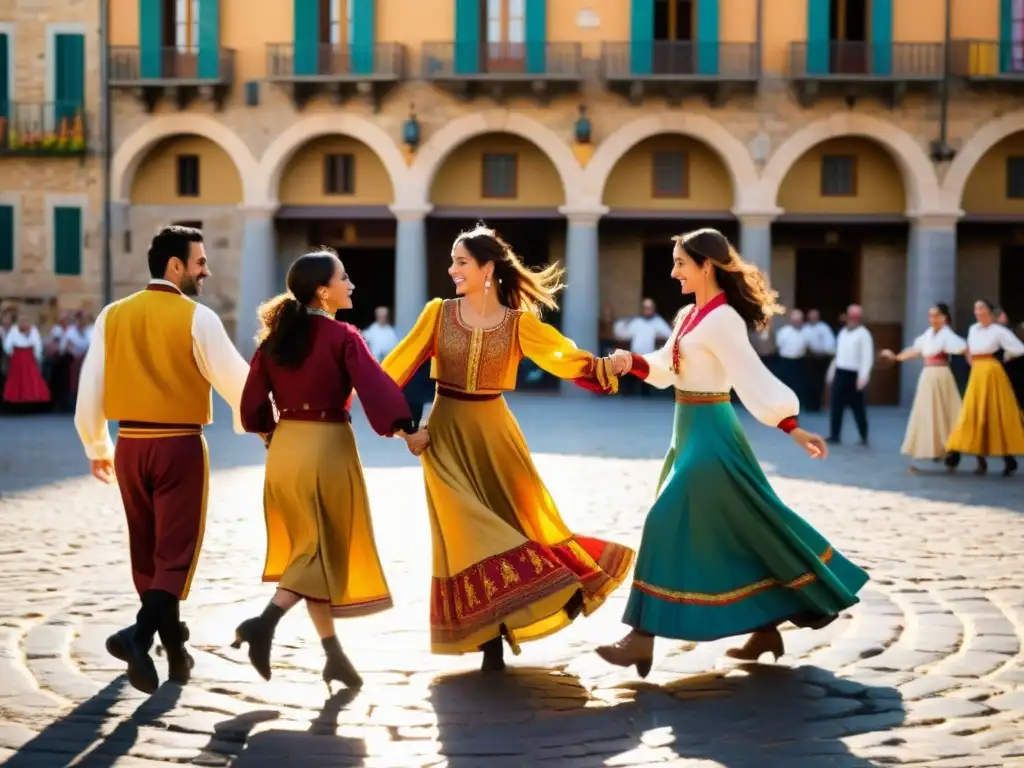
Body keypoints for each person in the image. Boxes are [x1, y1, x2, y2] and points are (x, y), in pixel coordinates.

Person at [597, 228, 868, 676]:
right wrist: (634, 362)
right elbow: (667, 369)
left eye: (681, 263)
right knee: (737, 526)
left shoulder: (723, 320)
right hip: (685, 431)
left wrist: (791, 425)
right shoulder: (688, 314)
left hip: (712, 433)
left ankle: (640, 637)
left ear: (706, 265)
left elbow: (750, 374)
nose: (673, 271)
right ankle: (764, 628)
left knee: (663, 519)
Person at [381, 224, 634, 671]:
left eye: (461, 261)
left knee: (516, 520)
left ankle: (550, 594)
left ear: (487, 269)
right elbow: (391, 372)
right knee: (465, 529)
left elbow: (564, 357)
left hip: (497, 432)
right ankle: (495, 631)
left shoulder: (519, 324)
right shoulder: (439, 314)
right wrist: (405, 428)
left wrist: (605, 366)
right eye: (453, 260)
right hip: (445, 434)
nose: (452, 268)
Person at [233, 250, 428, 691]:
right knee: (319, 550)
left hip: (283, 449)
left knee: (309, 549)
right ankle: (264, 623)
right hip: (328, 448)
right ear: (323, 291)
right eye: (345, 277)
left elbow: (250, 408)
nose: (352, 284)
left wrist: (271, 434)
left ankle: (333, 656)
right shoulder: (343, 336)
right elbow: (377, 390)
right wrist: (405, 430)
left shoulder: (273, 340)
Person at [74, 225, 251, 694]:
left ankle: (174, 649)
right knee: (175, 553)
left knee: (148, 552)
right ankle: (137, 636)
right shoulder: (198, 318)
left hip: (129, 445)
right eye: (200, 263)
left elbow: (89, 387)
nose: (206, 271)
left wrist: (97, 445)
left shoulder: (111, 315)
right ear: (176, 265)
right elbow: (237, 381)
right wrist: (267, 423)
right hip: (179, 446)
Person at [880, 303, 966, 471]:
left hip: (941, 376)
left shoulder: (947, 335)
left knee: (946, 413)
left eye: (936, 315)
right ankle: (928, 451)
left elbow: (962, 348)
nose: (932, 319)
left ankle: (952, 450)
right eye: (930, 315)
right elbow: (915, 350)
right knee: (925, 414)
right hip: (927, 376)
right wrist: (896, 357)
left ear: (944, 318)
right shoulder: (927, 335)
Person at [944, 299, 1024, 477]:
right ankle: (969, 458)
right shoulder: (973, 329)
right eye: (976, 309)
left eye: (982, 309)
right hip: (977, 373)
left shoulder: (999, 331)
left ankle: (1008, 458)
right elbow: (971, 350)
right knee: (972, 413)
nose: (978, 312)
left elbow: (1019, 349)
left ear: (990, 312)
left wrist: (1004, 357)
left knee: (996, 414)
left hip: (991, 372)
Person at [826, 305, 874, 446]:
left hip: (855, 375)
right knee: (835, 405)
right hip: (840, 372)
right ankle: (835, 435)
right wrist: (831, 372)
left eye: (856, 317)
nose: (853, 319)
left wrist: (863, 377)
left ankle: (863, 435)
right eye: (851, 316)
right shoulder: (843, 333)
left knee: (857, 407)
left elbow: (867, 357)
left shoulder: (864, 334)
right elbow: (838, 355)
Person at [614, 298, 674, 397]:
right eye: (645, 307)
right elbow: (621, 333)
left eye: (649, 307)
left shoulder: (657, 321)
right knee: (630, 379)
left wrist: (660, 336)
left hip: (648, 356)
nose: (647, 309)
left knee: (645, 380)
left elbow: (669, 334)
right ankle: (626, 399)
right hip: (635, 355)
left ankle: (645, 401)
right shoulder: (636, 321)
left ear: (653, 309)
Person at [1, 313, 50, 411]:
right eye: (22, 321)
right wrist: (12, 354)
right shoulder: (14, 330)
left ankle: (30, 402)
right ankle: (16, 403)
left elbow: (37, 344)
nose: (24, 323)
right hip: (17, 357)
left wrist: (37, 357)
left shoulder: (33, 330)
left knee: (31, 379)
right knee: (17, 379)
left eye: (26, 321)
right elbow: (7, 345)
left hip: (29, 357)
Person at [802, 309, 836, 412]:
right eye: (811, 316)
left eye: (815, 316)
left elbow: (830, 343)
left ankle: (817, 405)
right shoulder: (805, 328)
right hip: (808, 358)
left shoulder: (824, 328)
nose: (813, 318)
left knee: (819, 382)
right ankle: (808, 405)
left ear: (818, 317)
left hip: (821, 359)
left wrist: (823, 352)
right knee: (808, 382)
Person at [774, 309, 810, 407]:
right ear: (791, 320)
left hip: (799, 363)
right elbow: (779, 345)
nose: (797, 322)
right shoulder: (783, 332)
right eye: (795, 320)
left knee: (797, 387)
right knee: (784, 385)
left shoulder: (806, 332)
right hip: (785, 362)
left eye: (799, 320)